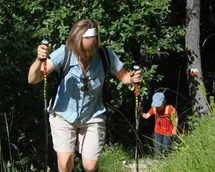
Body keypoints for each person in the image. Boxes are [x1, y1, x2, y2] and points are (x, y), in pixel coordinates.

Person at [28, 19, 142, 172]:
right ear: (75, 43)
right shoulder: (65, 52)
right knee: (65, 163)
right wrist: (39, 60)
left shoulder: (105, 55)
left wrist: (133, 78)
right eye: (84, 50)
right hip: (63, 114)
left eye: (92, 49)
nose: (88, 53)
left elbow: (125, 78)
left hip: (92, 114)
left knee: (90, 166)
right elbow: (33, 79)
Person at [141, 92, 178, 157]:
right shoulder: (154, 108)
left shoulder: (169, 109)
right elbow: (146, 116)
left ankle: (166, 161)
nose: (157, 107)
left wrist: (174, 129)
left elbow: (175, 119)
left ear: (164, 102)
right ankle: (158, 161)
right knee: (157, 148)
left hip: (168, 131)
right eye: (156, 105)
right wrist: (140, 112)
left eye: (159, 105)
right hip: (158, 130)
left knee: (166, 148)